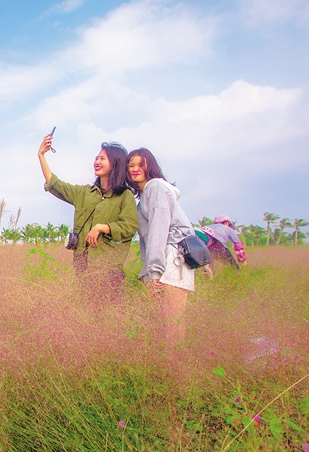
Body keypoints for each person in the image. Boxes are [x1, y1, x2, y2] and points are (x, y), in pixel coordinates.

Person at [38, 132, 138, 301]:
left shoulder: (124, 195)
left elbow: (130, 226)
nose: (97, 162)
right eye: (96, 158)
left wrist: (102, 227)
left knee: (109, 318)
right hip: (82, 268)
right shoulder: (84, 193)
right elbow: (56, 184)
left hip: (109, 271)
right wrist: (41, 155)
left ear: (115, 163)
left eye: (102, 159)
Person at [127, 148, 195, 345]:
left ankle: (174, 367)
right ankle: (169, 365)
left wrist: (154, 271)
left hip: (172, 259)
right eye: (131, 166)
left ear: (151, 166)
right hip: (163, 261)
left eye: (141, 164)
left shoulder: (155, 188)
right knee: (165, 323)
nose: (135, 169)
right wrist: (149, 272)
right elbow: (147, 240)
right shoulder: (145, 195)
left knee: (172, 322)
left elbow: (159, 228)